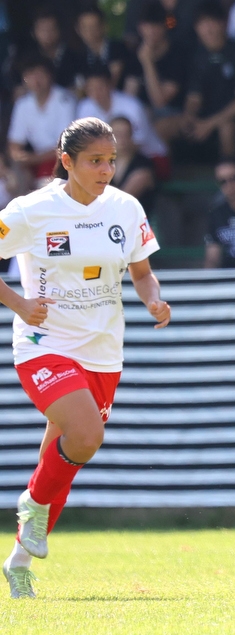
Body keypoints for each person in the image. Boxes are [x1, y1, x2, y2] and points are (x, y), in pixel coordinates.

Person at [0, 117, 170, 599]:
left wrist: (152, 299)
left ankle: (17, 563)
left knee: (66, 458)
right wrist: (18, 303)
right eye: (95, 161)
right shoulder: (31, 210)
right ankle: (31, 504)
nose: (106, 170)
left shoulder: (125, 207)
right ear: (67, 162)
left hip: (102, 351)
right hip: (44, 344)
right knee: (86, 435)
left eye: (111, 160)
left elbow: (141, 273)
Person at [181, 1, 235, 160]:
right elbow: (194, 96)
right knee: (168, 126)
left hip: (232, 117)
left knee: (226, 129)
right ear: (196, 28)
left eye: (212, 22)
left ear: (223, 23)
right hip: (204, 117)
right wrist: (189, 116)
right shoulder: (196, 56)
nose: (208, 28)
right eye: (202, 23)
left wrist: (209, 124)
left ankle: (229, 174)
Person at [7, 56, 76, 193]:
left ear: (50, 76)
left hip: (60, 160)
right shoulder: (23, 104)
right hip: (33, 161)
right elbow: (14, 143)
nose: (36, 81)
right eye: (30, 76)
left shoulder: (65, 100)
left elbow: (65, 145)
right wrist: (19, 158)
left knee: (45, 188)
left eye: (40, 75)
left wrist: (32, 159)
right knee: (11, 180)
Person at [124, 0, 188, 146]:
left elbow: (160, 101)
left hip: (175, 114)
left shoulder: (177, 54)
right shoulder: (135, 54)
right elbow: (129, 96)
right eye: (147, 26)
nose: (151, 31)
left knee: (156, 129)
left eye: (156, 26)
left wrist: (147, 63)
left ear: (164, 27)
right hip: (144, 113)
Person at [75, 5, 132, 90]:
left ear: (104, 26)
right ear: (78, 30)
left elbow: (114, 80)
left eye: (94, 27)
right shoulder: (77, 55)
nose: (89, 32)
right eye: (85, 28)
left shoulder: (118, 48)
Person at [109, 116, 157, 216]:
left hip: (137, 225)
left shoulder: (143, 164)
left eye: (126, 134)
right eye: (117, 135)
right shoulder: (104, 164)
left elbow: (122, 201)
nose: (122, 139)